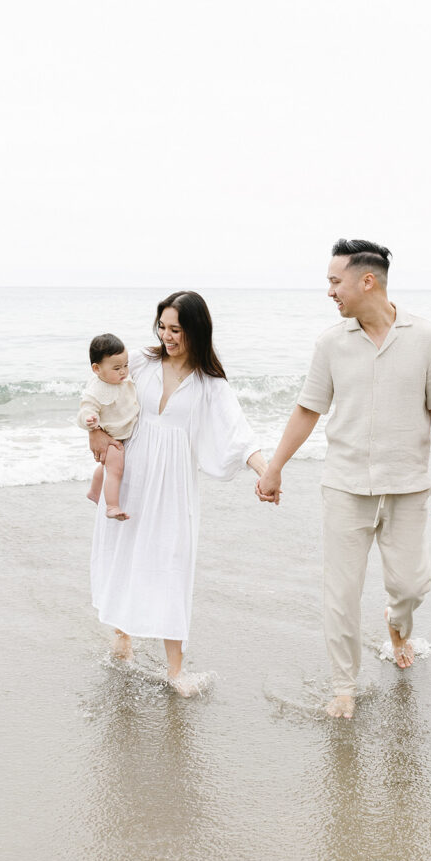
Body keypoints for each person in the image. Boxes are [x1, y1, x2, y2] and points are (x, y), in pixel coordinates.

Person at [257, 240, 431, 719]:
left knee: (410, 587)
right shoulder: (331, 342)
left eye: (334, 281)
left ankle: (397, 623)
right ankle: (343, 686)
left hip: (408, 484)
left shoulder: (426, 337)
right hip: (345, 485)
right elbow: (308, 409)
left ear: (367, 281)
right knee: (341, 593)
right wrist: (275, 465)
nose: (329, 291)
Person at [87, 291, 268, 696]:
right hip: (131, 474)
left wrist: (265, 471)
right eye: (163, 327)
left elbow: (238, 432)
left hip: (173, 487)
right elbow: (95, 385)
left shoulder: (210, 383)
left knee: (172, 565)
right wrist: (94, 430)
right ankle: (123, 634)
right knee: (125, 550)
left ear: (196, 332)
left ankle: (175, 671)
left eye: (176, 330)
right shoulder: (141, 361)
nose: (167, 336)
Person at [78, 333, 140, 521]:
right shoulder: (97, 389)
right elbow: (85, 408)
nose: (123, 372)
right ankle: (112, 506)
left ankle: (94, 491)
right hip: (113, 438)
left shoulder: (121, 379)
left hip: (125, 433)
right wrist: (90, 421)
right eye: (117, 368)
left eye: (126, 366)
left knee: (106, 467)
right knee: (115, 469)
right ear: (97, 369)